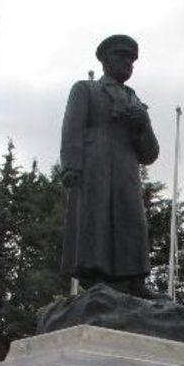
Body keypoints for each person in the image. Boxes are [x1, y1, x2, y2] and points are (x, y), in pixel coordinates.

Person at [60, 34, 160, 297]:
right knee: (96, 219)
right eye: (122, 57)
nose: (128, 63)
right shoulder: (86, 90)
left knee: (131, 220)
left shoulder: (137, 102)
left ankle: (135, 281)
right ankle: (97, 279)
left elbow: (150, 154)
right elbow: (72, 129)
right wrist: (71, 166)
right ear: (105, 60)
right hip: (95, 168)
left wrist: (143, 124)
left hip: (127, 171)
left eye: (132, 60)